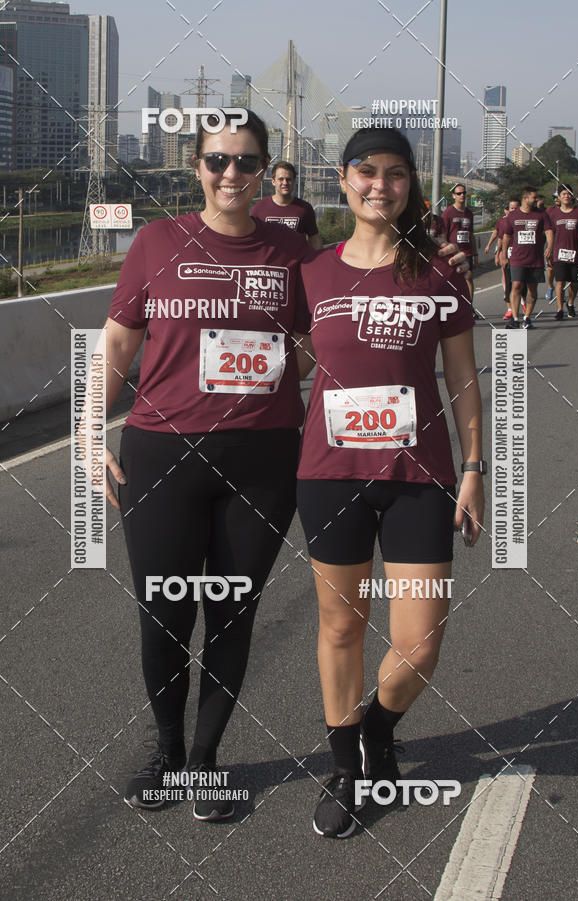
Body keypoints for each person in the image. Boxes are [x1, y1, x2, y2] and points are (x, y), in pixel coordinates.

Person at [101, 110, 316, 821]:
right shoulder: (156, 242)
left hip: (262, 457)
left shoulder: (292, 252)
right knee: (163, 611)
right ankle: (166, 750)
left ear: (264, 171)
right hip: (162, 453)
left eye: (247, 161)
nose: (232, 173)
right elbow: (118, 344)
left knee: (231, 612)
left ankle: (204, 759)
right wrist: (87, 432)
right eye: (218, 160)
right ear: (196, 166)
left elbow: (318, 339)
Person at [295, 127, 484, 839]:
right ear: (344, 179)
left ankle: (379, 726)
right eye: (367, 171)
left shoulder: (439, 271)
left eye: (396, 173)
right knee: (342, 626)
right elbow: (288, 360)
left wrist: (475, 466)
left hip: (419, 477)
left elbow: (462, 377)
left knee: (420, 642)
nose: (381, 184)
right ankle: (347, 766)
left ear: (411, 184)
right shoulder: (312, 272)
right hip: (330, 474)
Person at [502, 186, 553, 329]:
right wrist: (504, 255)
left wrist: (549, 247)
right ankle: (515, 318)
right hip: (517, 258)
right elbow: (506, 236)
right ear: (525, 198)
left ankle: (527, 318)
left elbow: (549, 231)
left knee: (532, 289)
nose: (536, 200)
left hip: (535, 259)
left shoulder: (541, 215)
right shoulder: (513, 215)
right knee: (516, 285)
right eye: (533, 197)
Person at [252, 160, 323, 249]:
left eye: (288, 179)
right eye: (281, 179)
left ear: (294, 181)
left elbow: (314, 238)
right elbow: (252, 238)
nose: (285, 183)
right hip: (268, 258)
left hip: (297, 258)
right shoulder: (259, 208)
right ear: (273, 181)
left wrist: (319, 256)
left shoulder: (305, 208)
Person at [551, 183, 578, 320]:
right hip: (559, 253)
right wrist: (549, 249)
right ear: (559, 197)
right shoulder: (554, 213)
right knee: (560, 282)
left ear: (572, 196)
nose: (566, 196)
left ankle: (571, 303)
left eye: (568, 194)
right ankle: (559, 309)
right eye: (563, 194)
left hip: (575, 253)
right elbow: (550, 233)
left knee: (574, 282)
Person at [442, 183, 479, 314]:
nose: (462, 195)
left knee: (468, 278)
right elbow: (443, 235)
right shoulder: (448, 213)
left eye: (464, 193)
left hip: (467, 252)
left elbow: (471, 234)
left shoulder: (469, 213)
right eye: (459, 193)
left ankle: (469, 307)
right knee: (453, 281)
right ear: (454, 196)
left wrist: (475, 254)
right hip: (453, 254)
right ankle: (453, 308)